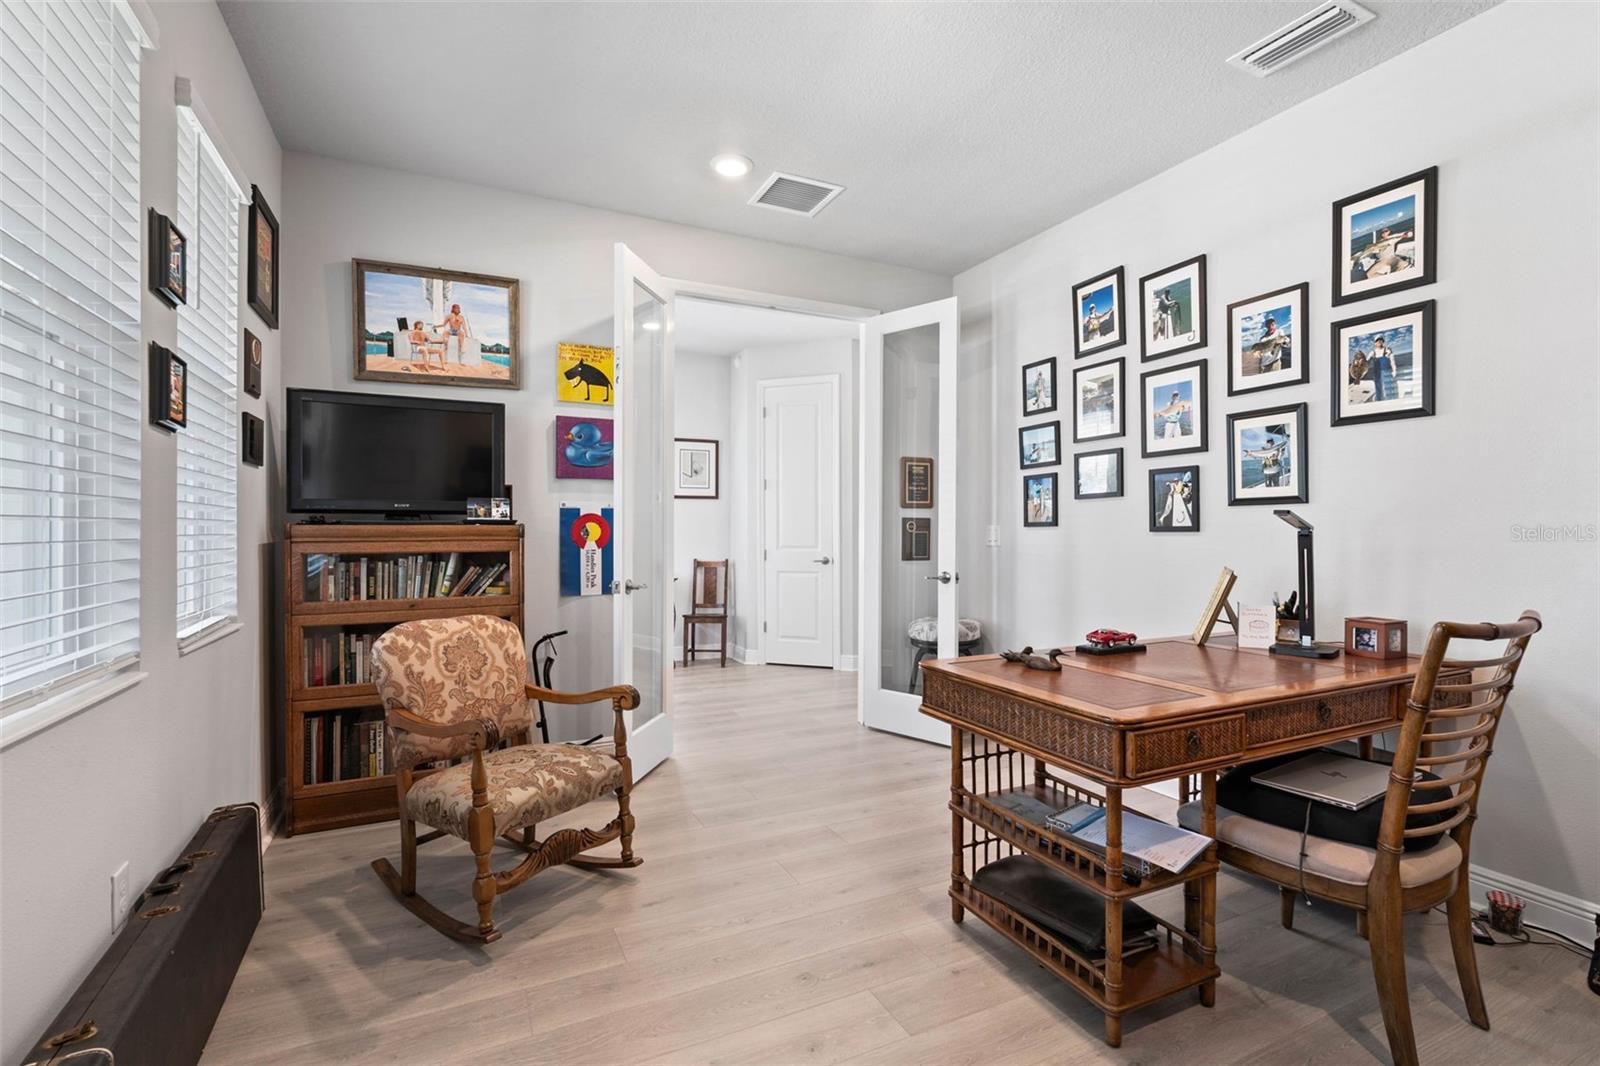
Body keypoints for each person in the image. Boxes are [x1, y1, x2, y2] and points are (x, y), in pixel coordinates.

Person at [1368, 334, 1397, 402]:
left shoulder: (1388, 350)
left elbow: (1392, 361)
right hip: (1376, 373)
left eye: (1381, 340)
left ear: (1383, 341)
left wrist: (1394, 370)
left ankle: (1391, 401)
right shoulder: (1372, 352)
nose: (1379, 342)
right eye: (1377, 341)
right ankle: (1379, 401)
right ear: (1375, 343)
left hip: (1386, 371)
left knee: (1389, 388)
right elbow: (1366, 362)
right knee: (1378, 389)